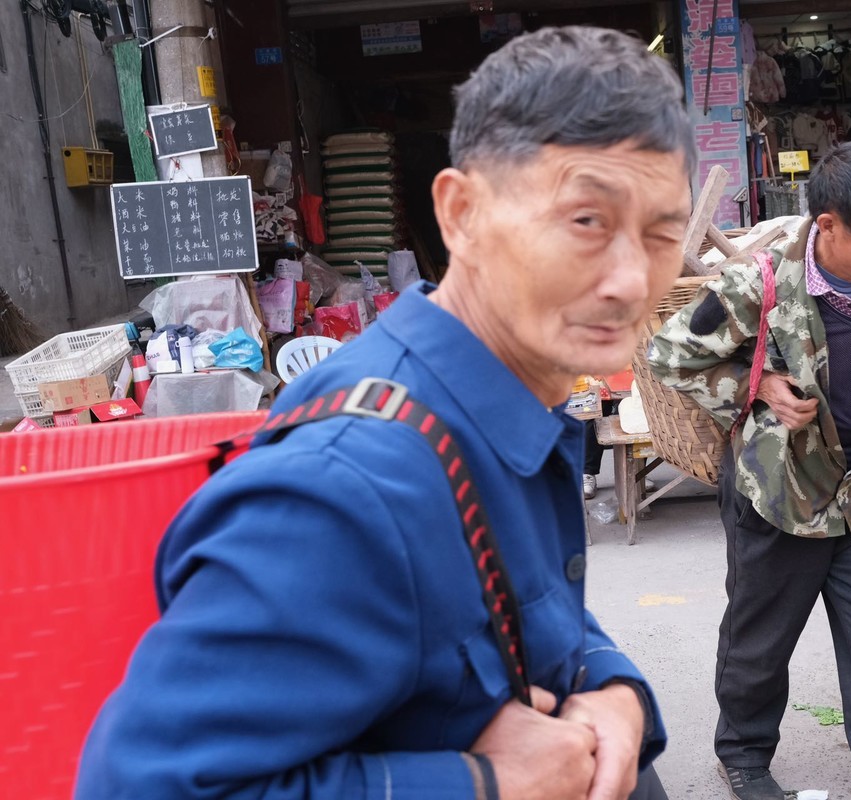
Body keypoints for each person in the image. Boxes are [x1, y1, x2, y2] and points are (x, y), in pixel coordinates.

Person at [75, 26, 694, 800]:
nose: (633, 281)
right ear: (461, 214)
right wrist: (481, 784)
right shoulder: (351, 484)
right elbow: (139, 786)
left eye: (663, 234)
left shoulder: (499, 400)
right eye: (586, 222)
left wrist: (614, 688)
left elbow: (511, 607)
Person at [647, 140, 851, 800]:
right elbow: (669, 356)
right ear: (830, 228)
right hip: (777, 493)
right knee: (759, 644)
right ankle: (745, 755)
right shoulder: (757, 282)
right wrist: (752, 388)